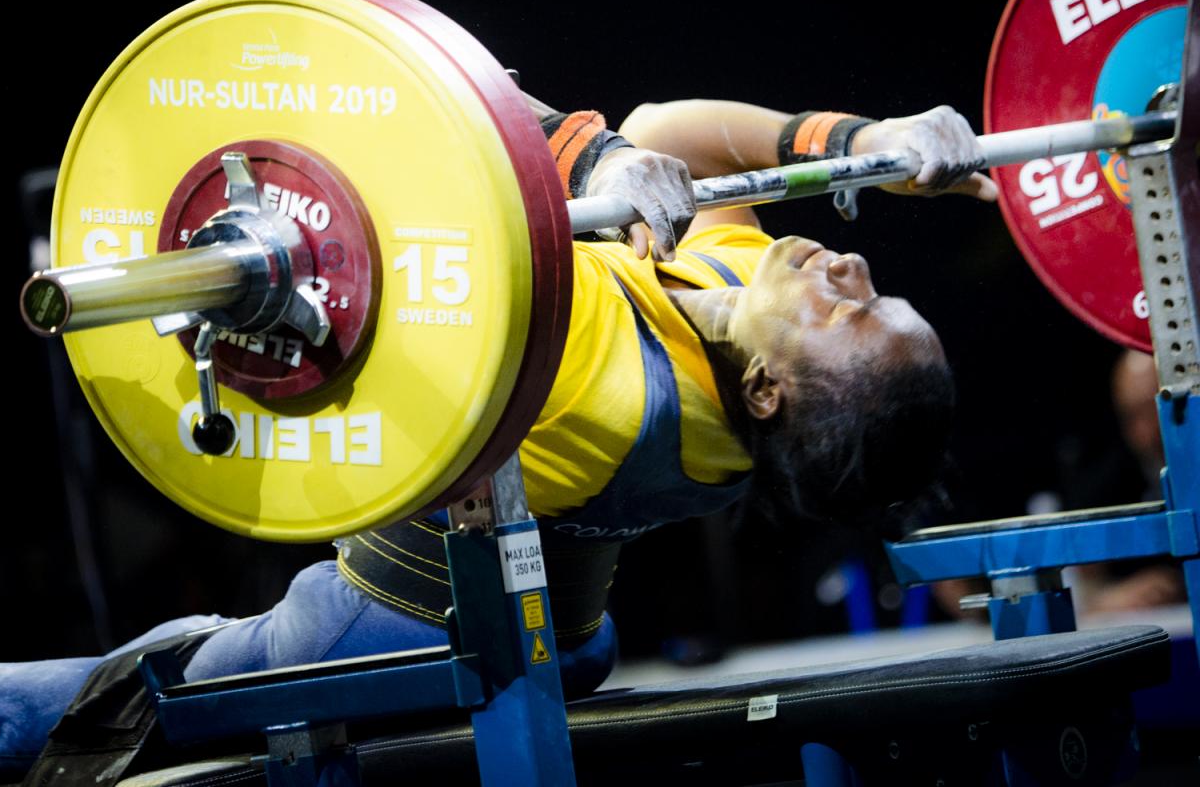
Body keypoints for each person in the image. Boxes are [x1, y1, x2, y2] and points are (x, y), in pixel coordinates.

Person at [1, 98, 992, 778]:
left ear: (770, 394)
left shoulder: (610, 390)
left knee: (102, 709)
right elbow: (667, 128)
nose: (854, 263)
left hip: (395, 633)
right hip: (566, 635)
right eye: (879, 288)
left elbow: (455, 150)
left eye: (852, 311)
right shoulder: (747, 300)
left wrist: (590, 157)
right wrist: (863, 135)